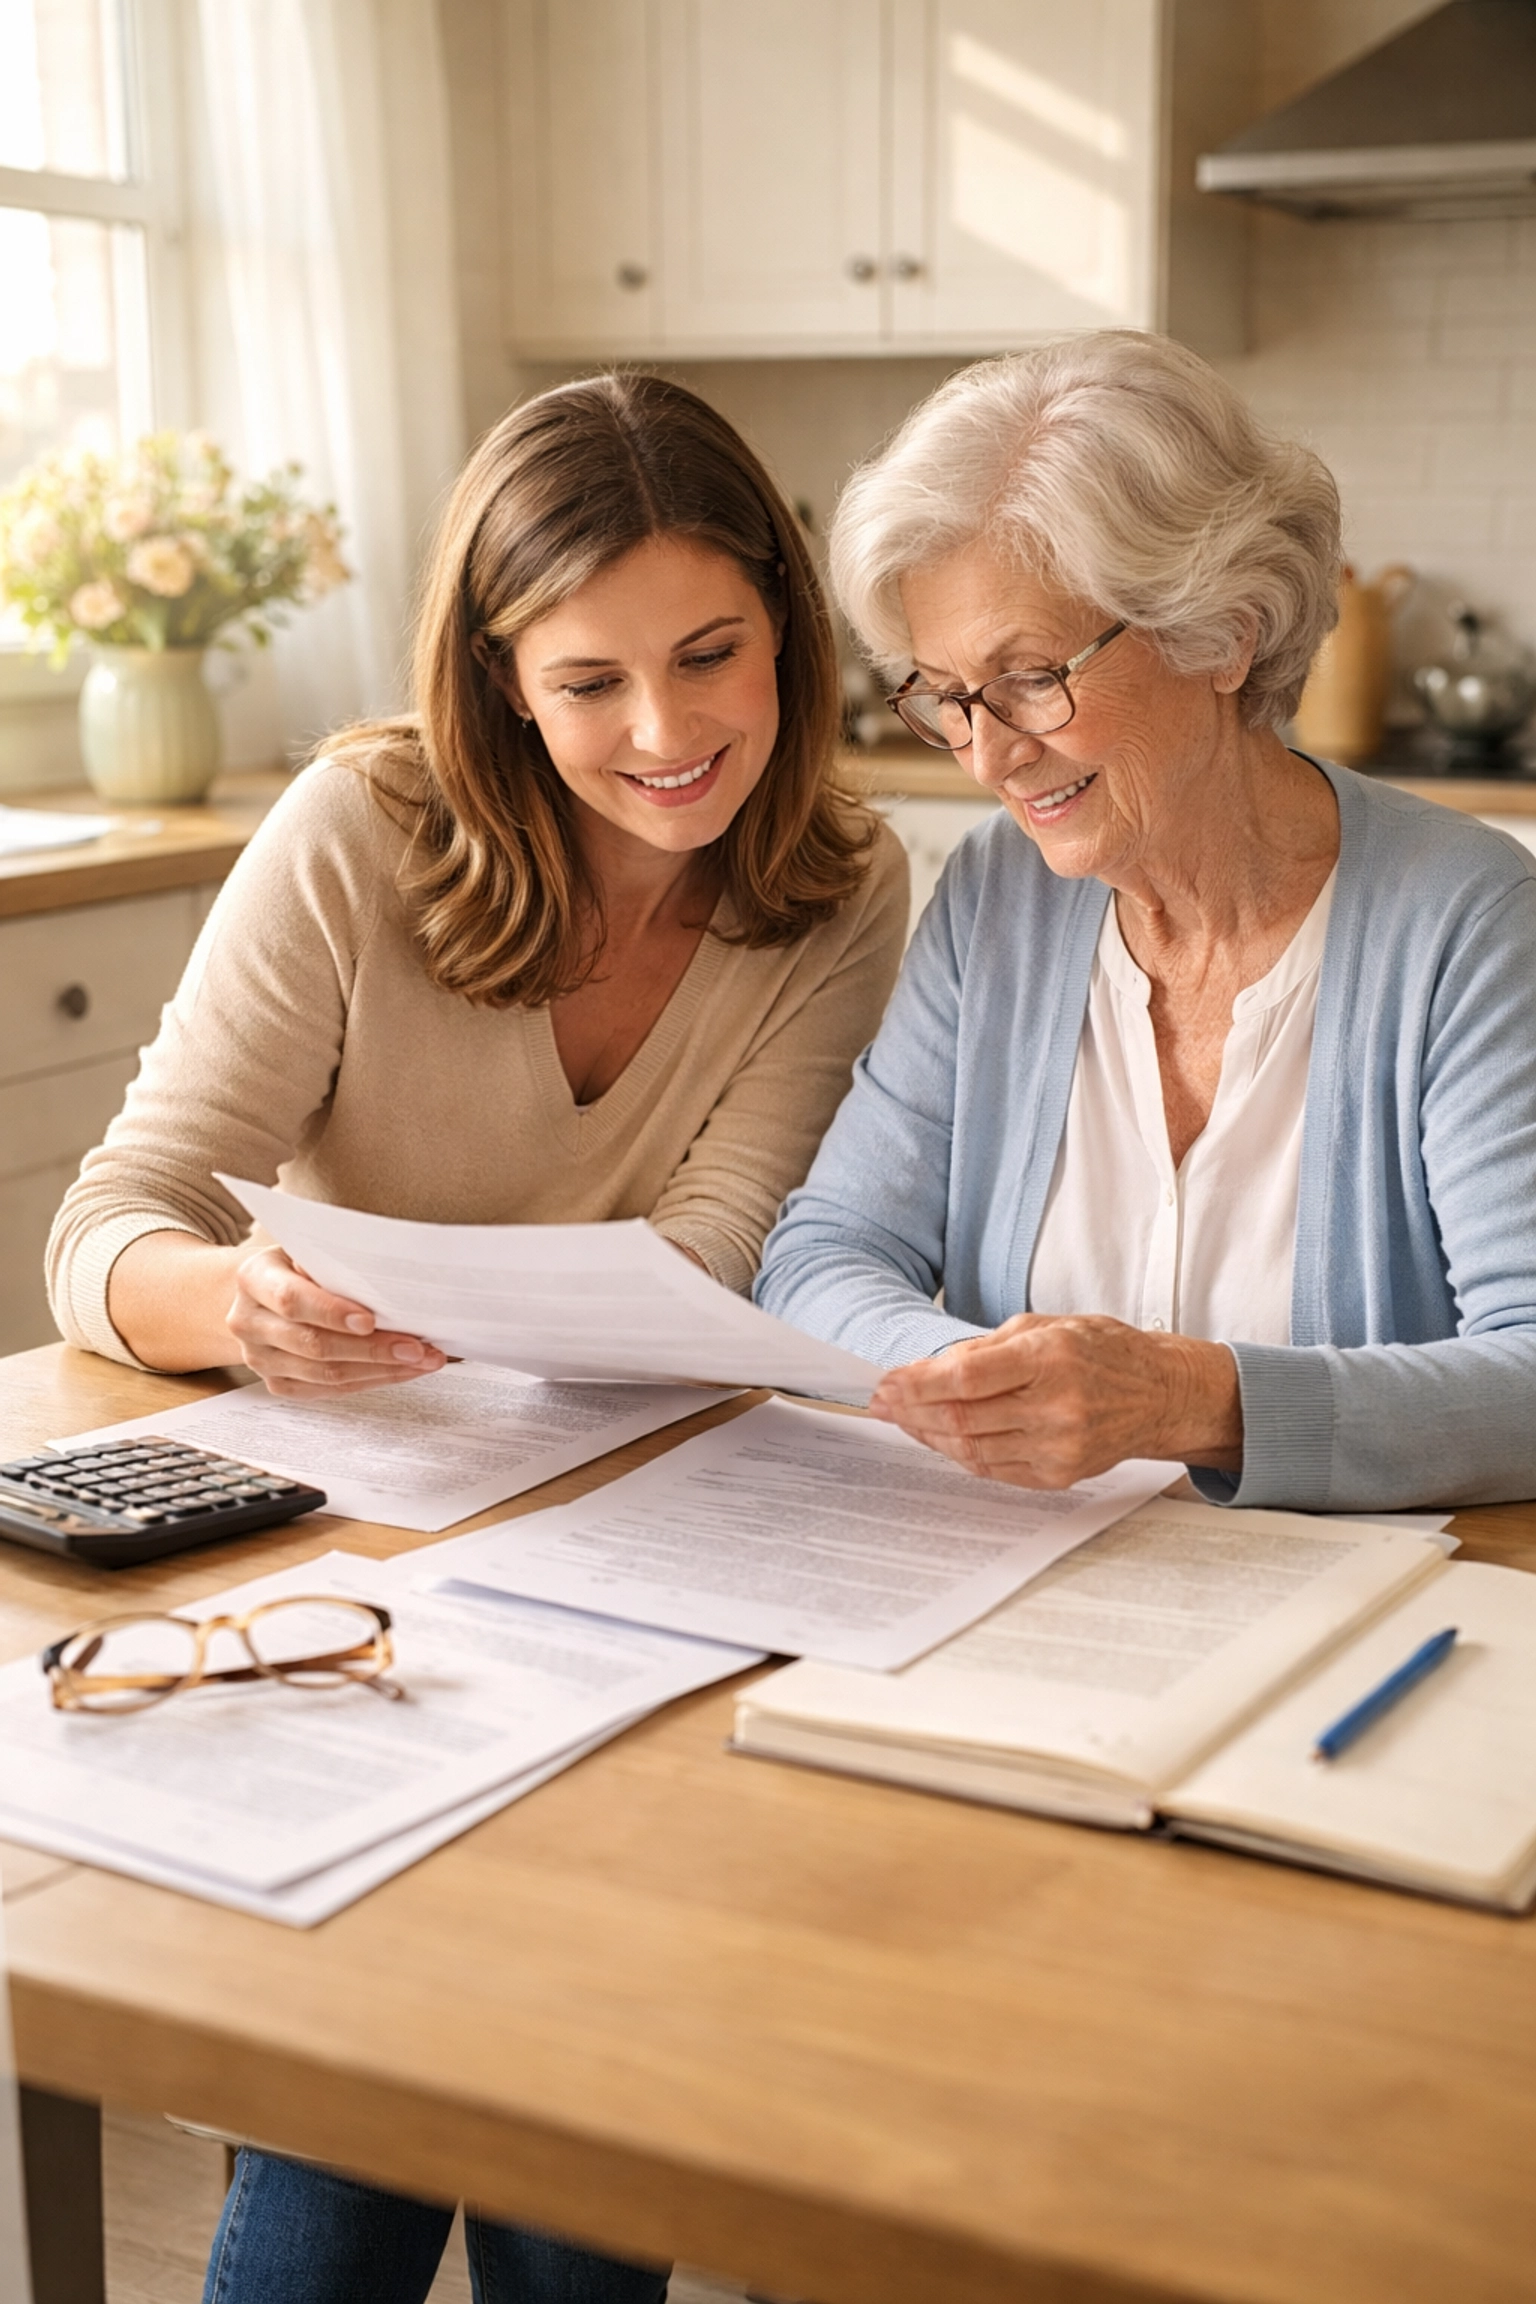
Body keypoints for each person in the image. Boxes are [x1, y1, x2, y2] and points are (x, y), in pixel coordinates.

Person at [48, 372, 907, 2303]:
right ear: (502, 674)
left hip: (644, 1546)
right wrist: (241, 1311)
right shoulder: (360, 825)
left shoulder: (840, 887)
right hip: (364, 1555)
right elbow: (110, 1222)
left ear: (788, 624)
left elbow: (714, 1259)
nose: (668, 732)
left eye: (713, 654)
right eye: (589, 679)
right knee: (377, 2077)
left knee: (567, 2063)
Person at [756, 329, 1536, 1513]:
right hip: (1022, 1584)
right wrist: (974, 1385)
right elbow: (819, 1257)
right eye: (949, 698)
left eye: (1030, 677)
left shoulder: (1466, 926)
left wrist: (1189, 1401)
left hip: (1355, 1618)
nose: (989, 756)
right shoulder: (994, 898)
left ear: (1222, 632)